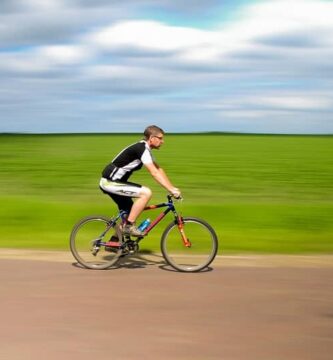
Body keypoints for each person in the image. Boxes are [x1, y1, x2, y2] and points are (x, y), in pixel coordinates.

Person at [99, 125, 181, 237]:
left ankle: (115, 242)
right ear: (152, 138)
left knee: (131, 212)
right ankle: (128, 226)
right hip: (109, 182)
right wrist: (170, 189)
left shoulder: (146, 149)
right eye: (160, 138)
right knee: (146, 193)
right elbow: (154, 173)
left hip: (115, 182)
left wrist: (172, 187)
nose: (163, 141)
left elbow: (159, 169)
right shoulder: (141, 149)